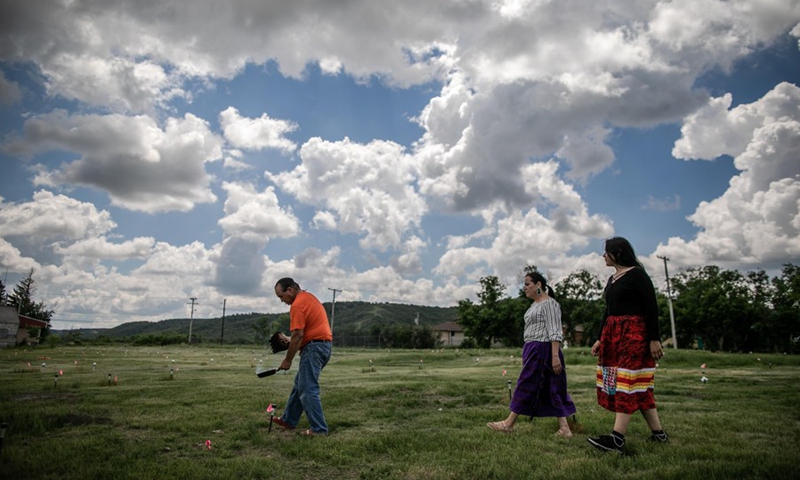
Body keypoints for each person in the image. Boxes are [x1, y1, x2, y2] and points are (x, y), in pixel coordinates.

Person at [588, 237, 668, 453]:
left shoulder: (637, 275)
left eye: (606, 252)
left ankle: (617, 439)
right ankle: (659, 435)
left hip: (634, 334)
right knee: (630, 385)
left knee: (627, 383)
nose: (603, 256)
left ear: (618, 252)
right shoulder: (612, 279)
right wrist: (599, 338)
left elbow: (651, 307)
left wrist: (654, 338)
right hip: (613, 335)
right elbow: (608, 311)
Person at [487, 272, 577, 437]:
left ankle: (509, 423)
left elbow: (555, 331)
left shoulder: (549, 304)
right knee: (551, 386)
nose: (525, 288)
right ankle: (564, 429)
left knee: (526, 383)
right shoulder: (534, 306)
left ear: (539, 285)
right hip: (532, 347)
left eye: (528, 284)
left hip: (543, 349)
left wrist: (555, 355)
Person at [271, 277, 333, 436]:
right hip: (322, 346)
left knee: (307, 389)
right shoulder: (308, 298)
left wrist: (287, 360)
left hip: (314, 348)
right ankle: (288, 420)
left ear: (289, 290)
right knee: (300, 384)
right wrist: (289, 340)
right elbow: (304, 333)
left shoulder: (297, 305)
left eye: (281, 296)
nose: (282, 301)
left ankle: (319, 430)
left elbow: (298, 335)